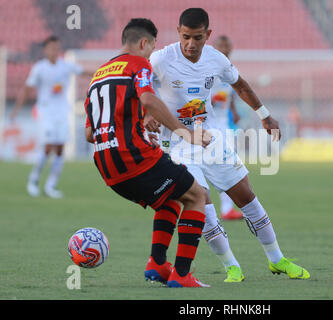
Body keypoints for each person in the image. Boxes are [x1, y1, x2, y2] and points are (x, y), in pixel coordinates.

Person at [148, 8, 310, 282]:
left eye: (197, 37)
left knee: (245, 195)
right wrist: (147, 113)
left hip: (210, 138)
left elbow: (241, 85)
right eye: (186, 36)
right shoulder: (161, 59)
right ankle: (231, 266)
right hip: (176, 146)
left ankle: (277, 259)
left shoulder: (216, 59)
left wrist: (264, 115)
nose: (190, 44)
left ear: (207, 35)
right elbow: (138, 87)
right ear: (178, 32)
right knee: (200, 201)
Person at [84, 18, 212, 288]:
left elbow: (89, 133)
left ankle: (156, 264)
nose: (151, 54)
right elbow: (148, 99)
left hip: (108, 169)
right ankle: (181, 274)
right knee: (197, 195)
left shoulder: (98, 75)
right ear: (144, 43)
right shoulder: (138, 64)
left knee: (169, 199)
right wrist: (185, 133)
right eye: (152, 48)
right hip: (133, 159)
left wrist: (138, 130)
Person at [11, 36, 89, 198]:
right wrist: (16, 109)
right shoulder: (39, 68)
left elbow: (84, 72)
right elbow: (27, 88)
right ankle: (33, 180)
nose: (54, 51)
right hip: (46, 112)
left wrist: (105, 73)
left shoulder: (65, 66)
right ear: (45, 50)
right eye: (51, 48)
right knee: (47, 148)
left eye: (56, 48)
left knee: (60, 150)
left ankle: (50, 185)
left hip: (62, 112)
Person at [210, 35, 243, 220]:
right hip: (209, 123)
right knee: (221, 165)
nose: (225, 48)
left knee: (228, 164)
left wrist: (234, 110)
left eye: (227, 45)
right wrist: (211, 101)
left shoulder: (230, 69)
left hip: (224, 123)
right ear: (214, 48)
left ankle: (227, 209)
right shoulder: (209, 69)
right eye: (221, 45)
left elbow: (230, 92)